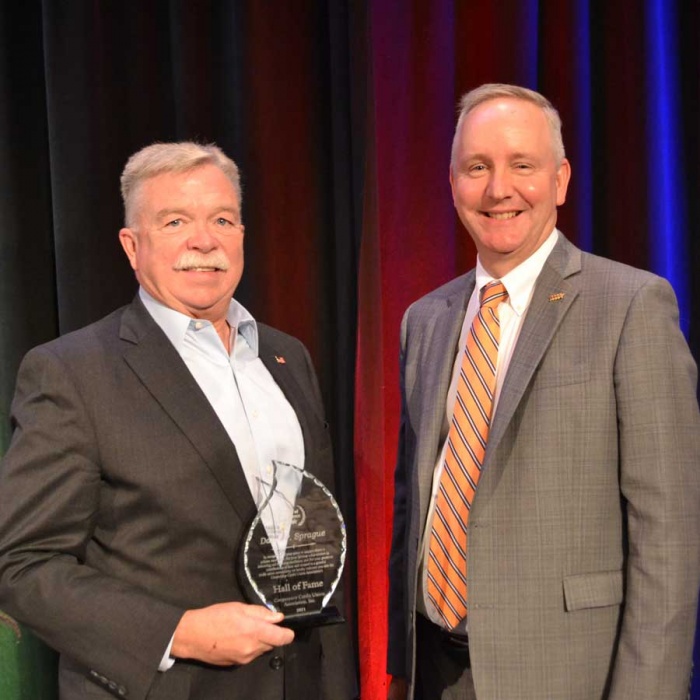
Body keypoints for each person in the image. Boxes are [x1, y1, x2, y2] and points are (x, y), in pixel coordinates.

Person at [0, 142, 355, 700]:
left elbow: (317, 538)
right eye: (174, 221)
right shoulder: (72, 372)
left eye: (222, 219)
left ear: (241, 234)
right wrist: (178, 633)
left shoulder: (288, 358)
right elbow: (23, 567)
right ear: (132, 246)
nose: (204, 240)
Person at [387, 84, 700, 700]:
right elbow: (411, 508)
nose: (498, 188)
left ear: (559, 180)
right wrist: (403, 669)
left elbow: (668, 535)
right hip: (436, 671)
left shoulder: (631, 305)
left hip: (569, 675)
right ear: (453, 184)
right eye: (477, 167)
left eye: (521, 165)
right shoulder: (424, 319)